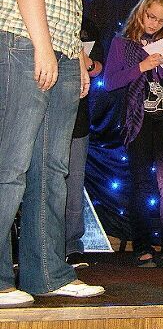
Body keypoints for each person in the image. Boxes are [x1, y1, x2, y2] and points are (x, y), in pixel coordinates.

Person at [0, 0, 104, 307]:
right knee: (10, 166)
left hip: (60, 50)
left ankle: (47, 273)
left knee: (52, 168)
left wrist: (76, 57)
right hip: (23, 42)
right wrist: (43, 46)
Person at [104, 0, 163, 268]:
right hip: (137, 119)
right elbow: (110, 82)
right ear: (141, 11)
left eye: (161, 20)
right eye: (151, 17)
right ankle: (142, 246)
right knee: (141, 183)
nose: (154, 24)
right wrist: (142, 66)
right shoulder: (122, 43)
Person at [65, 18, 104, 269]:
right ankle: (39, 246)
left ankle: (72, 246)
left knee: (74, 182)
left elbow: (98, 68)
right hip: (44, 109)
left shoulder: (88, 25)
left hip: (77, 116)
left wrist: (84, 60)